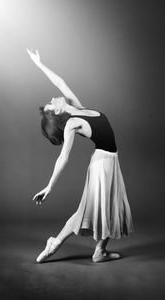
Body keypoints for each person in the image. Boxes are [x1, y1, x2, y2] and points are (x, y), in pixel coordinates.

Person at [27, 49, 134, 263]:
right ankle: (54, 244)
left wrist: (39, 64)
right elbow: (63, 157)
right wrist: (49, 186)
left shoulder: (76, 108)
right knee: (91, 209)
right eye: (51, 104)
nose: (53, 99)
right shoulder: (72, 124)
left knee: (110, 206)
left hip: (111, 161)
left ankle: (99, 251)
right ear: (56, 113)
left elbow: (61, 83)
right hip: (102, 165)